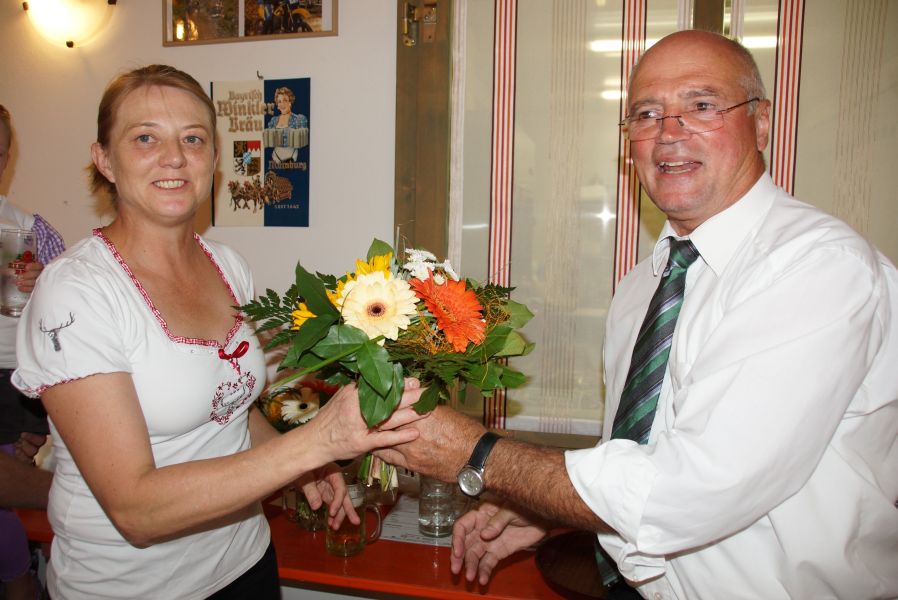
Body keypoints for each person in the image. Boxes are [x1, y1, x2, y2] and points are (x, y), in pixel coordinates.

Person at [377, 30, 898, 600]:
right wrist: (554, 509)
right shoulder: (640, 288)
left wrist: (479, 455)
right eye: (647, 114)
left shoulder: (818, 269)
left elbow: (690, 491)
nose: (669, 132)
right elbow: (646, 459)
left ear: (762, 123)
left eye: (702, 105)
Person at [11, 64, 425, 600]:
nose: (174, 157)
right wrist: (314, 443)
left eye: (193, 139)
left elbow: (231, 410)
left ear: (213, 160)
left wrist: (300, 467)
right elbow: (136, 509)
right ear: (104, 160)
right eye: (145, 138)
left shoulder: (227, 265)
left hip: (245, 563)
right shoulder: (76, 291)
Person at [0, 103, 63, 600]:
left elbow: (68, 326)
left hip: (11, 378)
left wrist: (45, 287)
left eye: (0, 153)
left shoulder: (28, 228)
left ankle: (21, 578)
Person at [265, 86, 308, 163]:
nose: (282, 104)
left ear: (290, 102)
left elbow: (303, 141)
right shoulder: (273, 121)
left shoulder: (299, 119)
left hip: (292, 159)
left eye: (285, 100)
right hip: (275, 158)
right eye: (279, 101)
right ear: (277, 105)